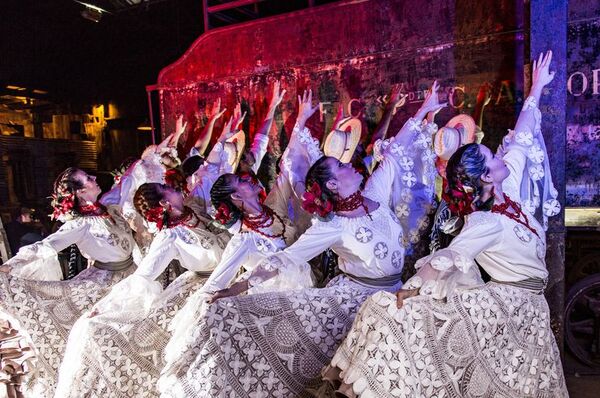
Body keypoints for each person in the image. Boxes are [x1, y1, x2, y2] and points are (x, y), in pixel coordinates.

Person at [157, 83, 443, 397]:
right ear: (334, 184)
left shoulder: (373, 193)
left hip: (395, 293)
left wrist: (424, 108)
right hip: (357, 303)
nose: (350, 164)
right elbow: (286, 258)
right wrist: (239, 287)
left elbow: (392, 157)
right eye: (342, 166)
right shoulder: (332, 225)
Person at [326, 50, 567, 398]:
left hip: (528, 312)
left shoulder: (508, 188)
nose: (499, 154)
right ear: (487, 175)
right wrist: (408, 290)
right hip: (505, 308)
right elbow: (450, 257)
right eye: (491, 156)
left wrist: (537, 90)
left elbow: (524, 136)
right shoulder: (485, 221)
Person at [54, 182, 229, 398]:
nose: (176, 188)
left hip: (237, 280)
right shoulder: (170, 236)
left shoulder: (196, 209)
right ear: (165, 203)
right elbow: (143, 276)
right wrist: (107, 305)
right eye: (170, 189)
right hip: (206, 289)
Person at [0, 168, 136, 396]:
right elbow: (45, 246)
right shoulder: (80, 224)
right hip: (106, 286)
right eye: (89, 179)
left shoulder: (110, 209)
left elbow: (129, 185)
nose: (94, 179)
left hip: (133, 276)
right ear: (81, 191)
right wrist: (9, 266)